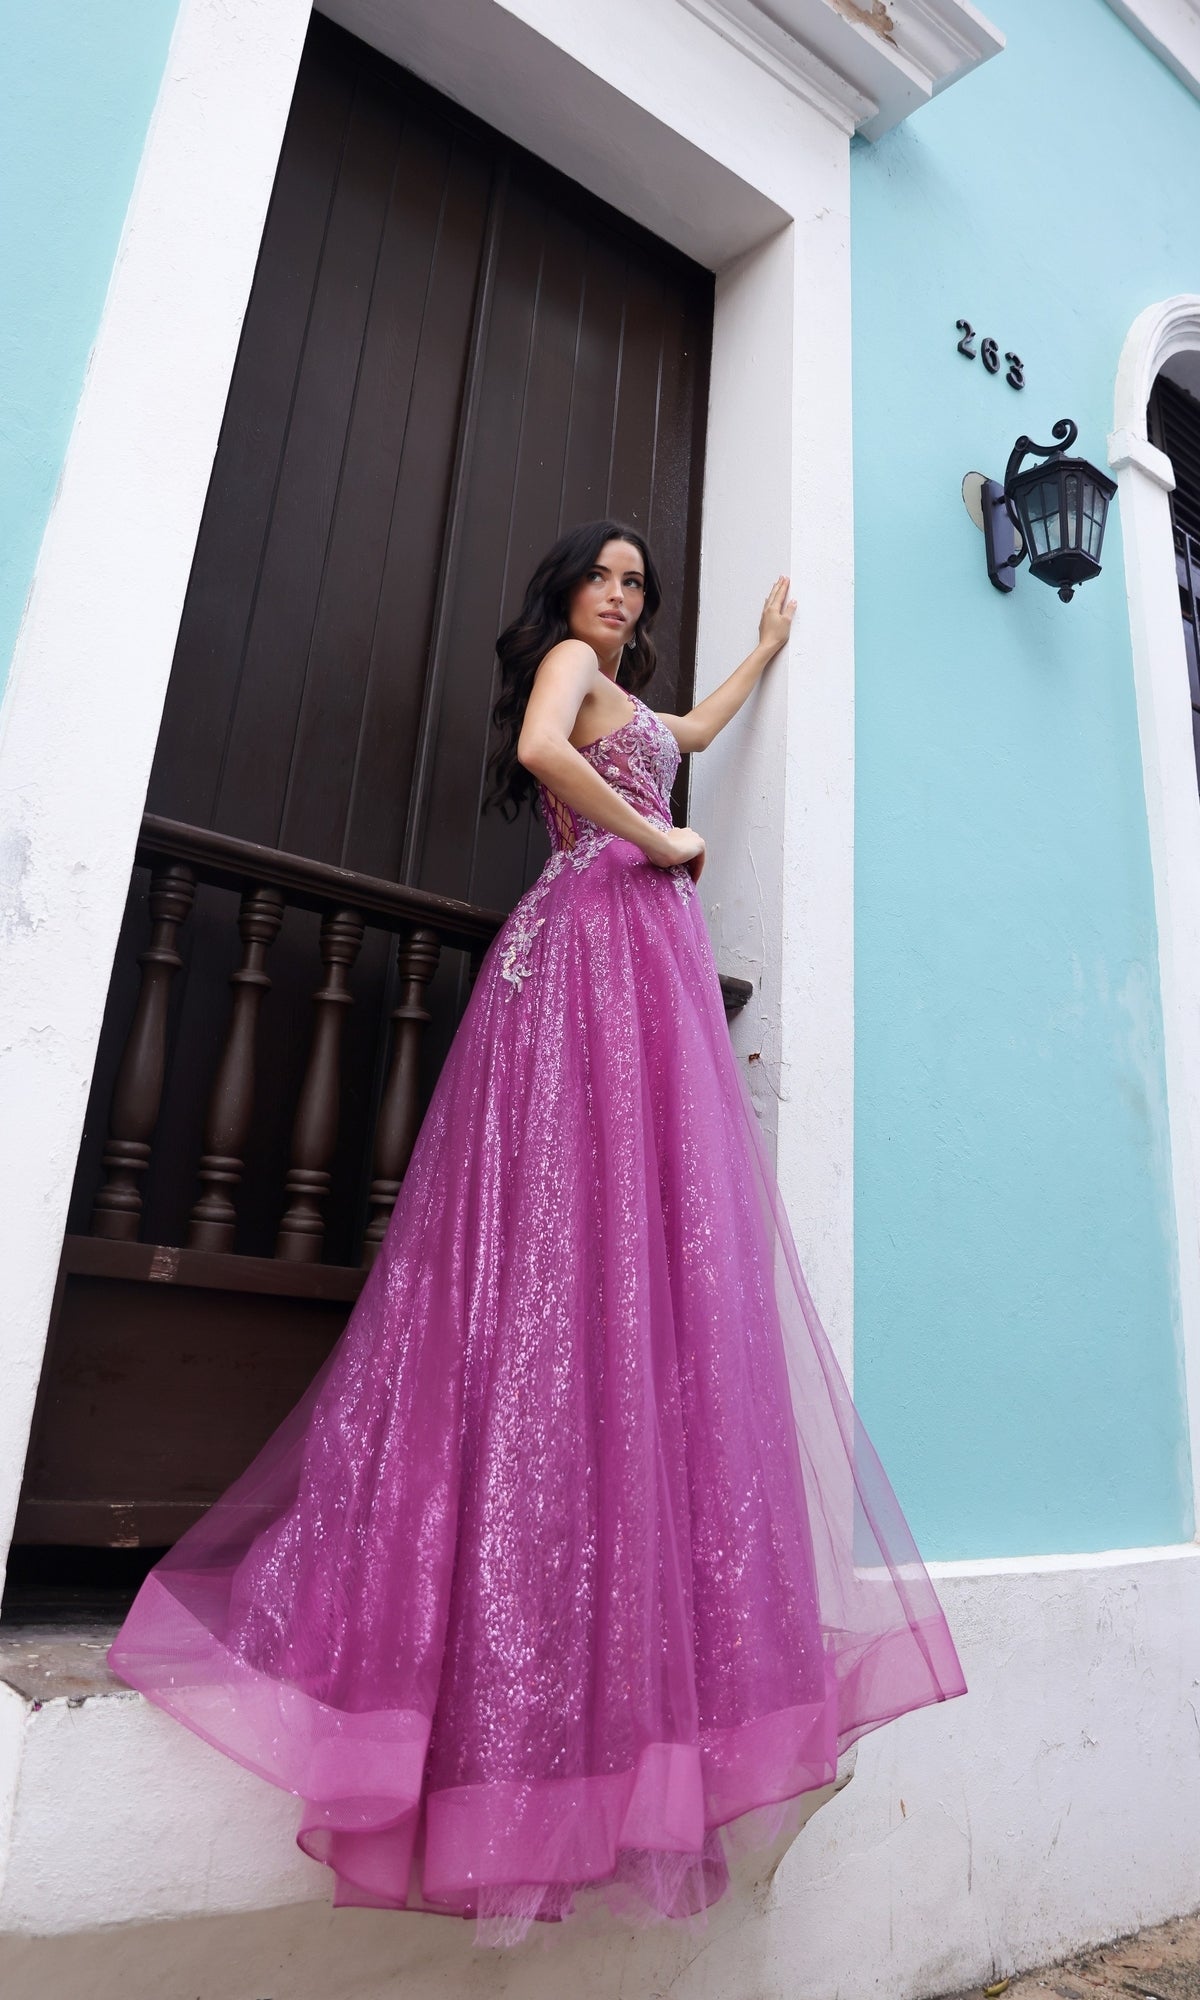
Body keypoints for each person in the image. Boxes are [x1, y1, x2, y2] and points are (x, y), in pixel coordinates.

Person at [108, 520, 966, 1945]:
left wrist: (760, 650)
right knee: (547, 1217)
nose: (621, 599)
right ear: (566, 595)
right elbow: (544, 762)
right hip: (583, 940)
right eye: (605, 578)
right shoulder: (568, 669)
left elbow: (685, 726)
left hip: (646, 953)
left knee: (638, 1237)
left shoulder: (639, 692)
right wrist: (660, 837)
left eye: (638, 586)